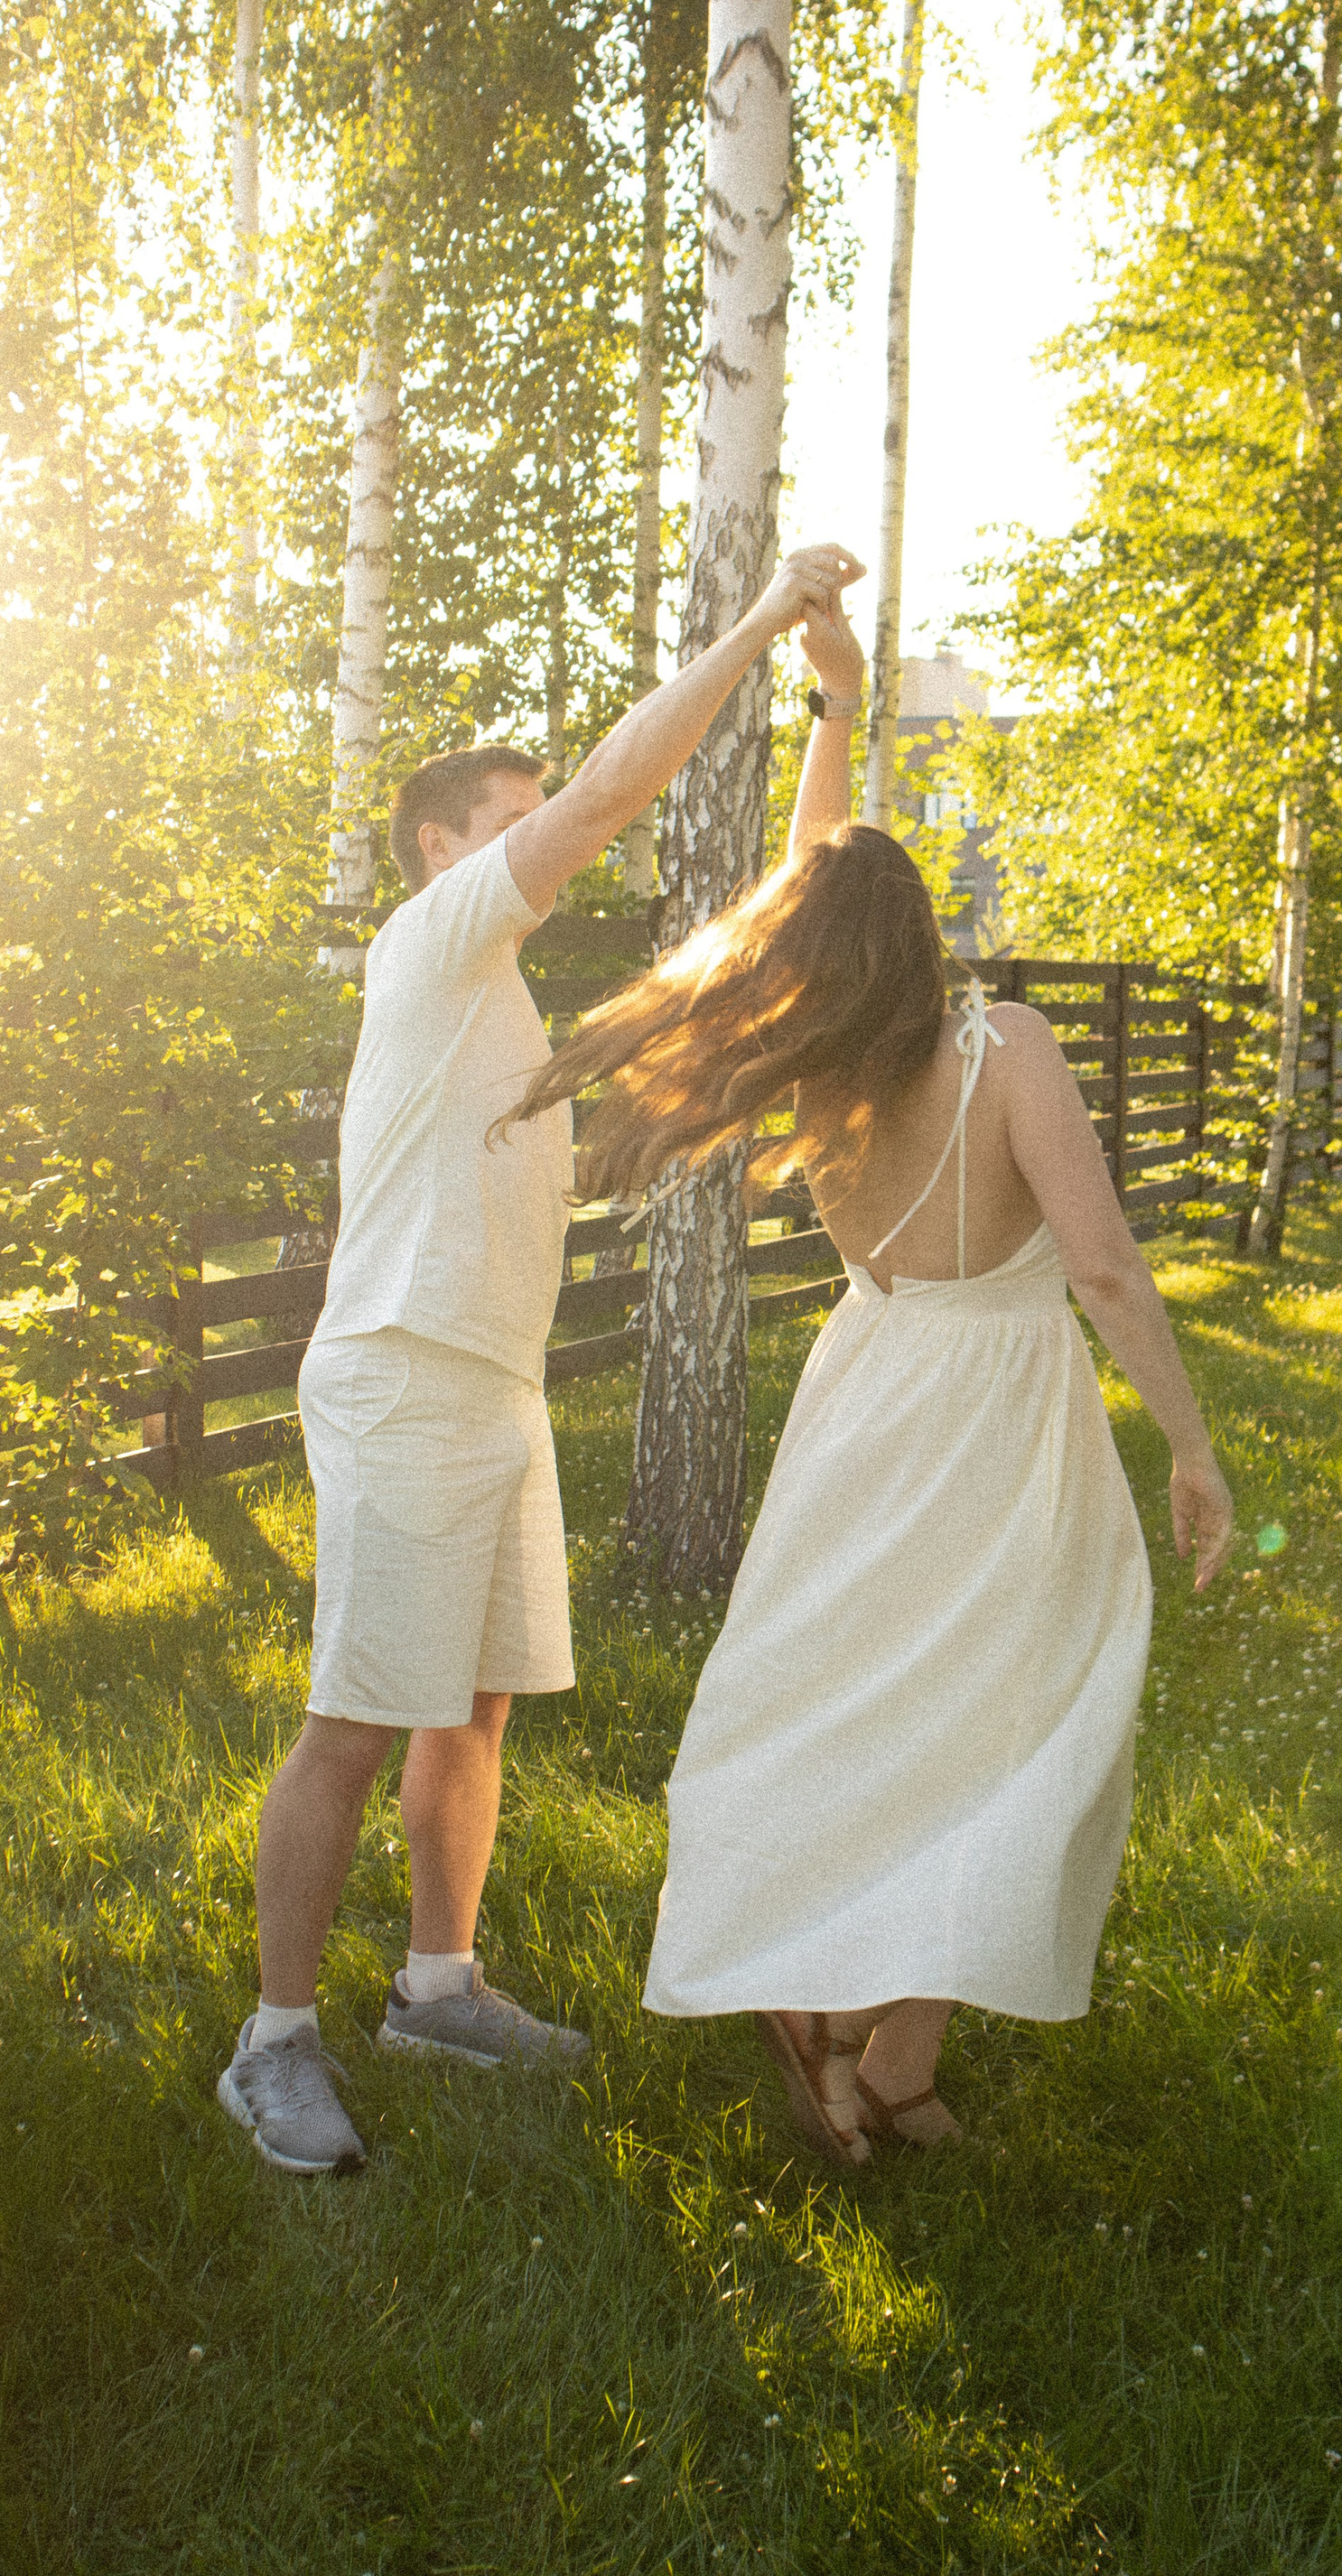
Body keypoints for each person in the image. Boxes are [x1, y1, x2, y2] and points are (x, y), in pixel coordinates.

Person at [509, 596, 1235, 2164]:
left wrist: (835, 711)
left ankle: (875, 2056)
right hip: (998, 1415)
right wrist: (1190, 1449)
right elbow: (1105, 1271)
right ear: (917, 937)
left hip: (867, 1395)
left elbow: (811, 884)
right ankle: (864, 2038)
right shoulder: (1007, 1048)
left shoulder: (823, 1065)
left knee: (877, 1707)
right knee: (1019, 1718)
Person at [217, 540, 867, 2176]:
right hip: (402, 1370)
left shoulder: (504, 1012)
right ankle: (271, 2044)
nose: (547, 839)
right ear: (441, 847)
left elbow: (727, 989)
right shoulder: (433, 943)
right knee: (356, 1721)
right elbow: (607, 795)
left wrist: (832, 732)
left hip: (493, 1388)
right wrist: (762, 621)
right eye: (511, 820)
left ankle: (439, 1985)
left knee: (475, 1712)